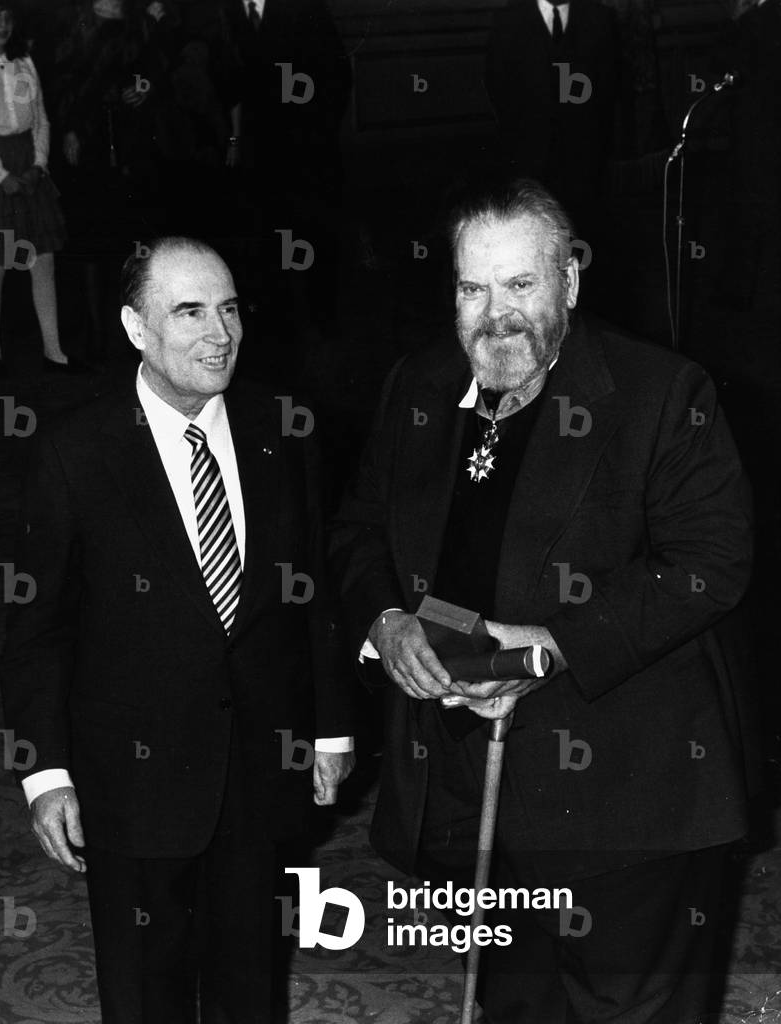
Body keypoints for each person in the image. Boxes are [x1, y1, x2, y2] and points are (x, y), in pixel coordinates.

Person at [329, 176, 757, 1024]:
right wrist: (385, 621)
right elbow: (357, 532)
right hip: (468, 790)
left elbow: (711, 562)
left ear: (567, 282)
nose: (497, 314)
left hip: (628, 795)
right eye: (472, 287)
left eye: (521, 284)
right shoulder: (417, 386)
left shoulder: (660, 394)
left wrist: (553, 642)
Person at [0, 236, 355, 1024]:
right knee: (145, 992)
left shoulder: (283, 426)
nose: (217, 333)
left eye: (227, 309)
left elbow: (311, 595)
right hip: (132, 779)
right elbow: (36, 631)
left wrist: (329, 729)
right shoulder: (74, 453)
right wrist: (45, 773)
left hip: (261, 769)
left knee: (249, 983)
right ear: (136, 328)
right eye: (189, 312)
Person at [485, 0, 619, 244]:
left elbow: (609, 91)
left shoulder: (600, 18)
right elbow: (498, 88)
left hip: (584, 166)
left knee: (583, 241)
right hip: (526, 163)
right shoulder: (508, 20)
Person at [0, 1, 72, 377]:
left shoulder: (25, 61)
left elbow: (41, 117)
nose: (2, 24)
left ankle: (54, 352)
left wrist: (39, 164)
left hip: (28, 163)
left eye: (7, 17)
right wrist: (1, 175)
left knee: (44, 261)